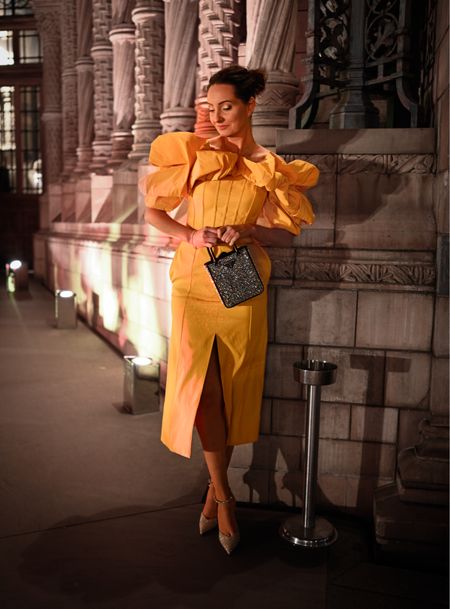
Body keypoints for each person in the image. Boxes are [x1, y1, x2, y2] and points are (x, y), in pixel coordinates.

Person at [144, 65, 319, 554]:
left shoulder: (269, 165)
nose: (218, 116)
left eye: (227, 106)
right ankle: (225, 498)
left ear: (250, 106)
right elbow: (154, 212)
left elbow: (286, 227)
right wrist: (189, 234)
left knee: (235, 385)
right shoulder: (194, 156)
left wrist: (250, 232)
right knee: (200, 390)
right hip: (193, 279)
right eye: (211, 107)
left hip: (240, 274)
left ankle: (212, 493)